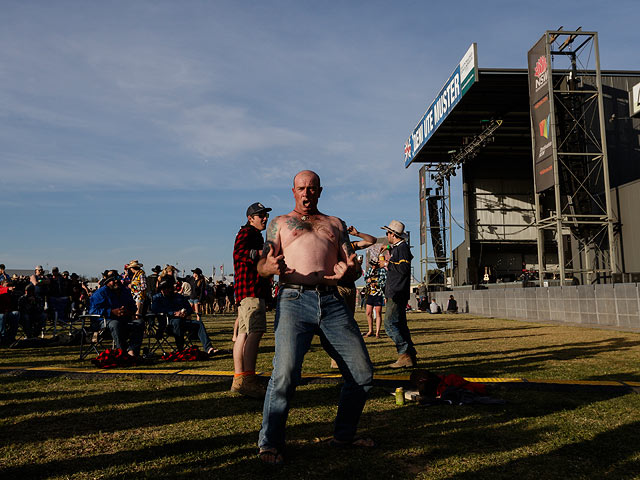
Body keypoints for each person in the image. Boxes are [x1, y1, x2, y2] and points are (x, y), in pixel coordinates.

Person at [256, 170, 374, 465]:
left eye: (311, 188)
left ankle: (344, 436)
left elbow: (352, 265)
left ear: (320, 191)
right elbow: (263, 264)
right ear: (292, 191)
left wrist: (351, 271)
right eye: (301, 188)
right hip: (294, 298)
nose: (306, 193)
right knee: (285, 374)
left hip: (333, 301)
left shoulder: (335, 224)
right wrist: (269, 267)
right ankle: (270, 443)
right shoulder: (280, 223)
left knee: (362, 375)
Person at [231, 201, 273, 398]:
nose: (265, 218)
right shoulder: (247, 233)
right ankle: (248, 379)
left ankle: (239, 378)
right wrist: (261, 253)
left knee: (243, 334)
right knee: (255, 332)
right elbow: (239, 253)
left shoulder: (253, 234)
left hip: (248, 291)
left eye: (265, 215)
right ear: (250, 218)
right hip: (251, 290)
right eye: (261, 215)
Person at [379, 220, 417, 368]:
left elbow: (404, 268)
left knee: (389, 324)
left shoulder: (402, 249)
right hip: (398, 291)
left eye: (387, 233)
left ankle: (405, 353)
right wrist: (388, 247)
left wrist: (387, 264)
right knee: (400, 325)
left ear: (392, 234)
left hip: (396, 291)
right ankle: (410, 355)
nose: (386, 235)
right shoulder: (399, 247)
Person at [151, 276, 217, 354]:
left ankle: (208, 348)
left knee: (198, 323)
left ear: (171, 288)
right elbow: (155, 310)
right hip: (168, 324)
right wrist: (174, 313)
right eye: (162, 289)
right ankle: (180, 349)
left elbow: (189, 309)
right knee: (177, 321)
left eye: (166, 288)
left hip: (183, 322)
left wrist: (185, 312)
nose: (164, 290)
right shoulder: (157, 298)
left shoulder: (179, 297)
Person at [88, 270, 143, 357]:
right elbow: (92, 311)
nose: (116, 281)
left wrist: (127, 311)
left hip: (123, 320)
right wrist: (111, 312)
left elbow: (133, 307)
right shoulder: (100, 293)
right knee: (115, 323)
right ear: (107, 282)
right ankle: (122, 352)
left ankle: (132, 351)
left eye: (117, 278)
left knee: (139, 323)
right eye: (112, 279)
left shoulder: (125, 291)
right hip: (103, 322)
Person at [363, 259, 386, 337]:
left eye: (374, 265)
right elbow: (365, 277)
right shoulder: (370, 270)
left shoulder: (382, 270)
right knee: (368, 312)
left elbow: (384, 281)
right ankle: (370, 331)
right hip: (370, 293)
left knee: (378, 313)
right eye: (372, 264)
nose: (373, 266)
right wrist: (367, 280)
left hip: (378, 294)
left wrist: (376, 283)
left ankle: (377, 332)